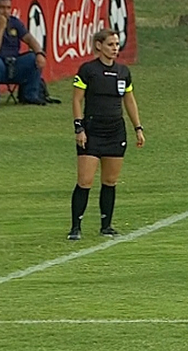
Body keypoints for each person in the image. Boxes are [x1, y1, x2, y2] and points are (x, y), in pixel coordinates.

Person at [67, 29, 145, 241]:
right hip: (92, 131)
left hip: (115, 131)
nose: (115, 48)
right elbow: (76, 100)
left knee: (110, 180)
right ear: (99, 46)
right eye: (110, 44)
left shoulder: (123, 72)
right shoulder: (87, 70)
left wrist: (138, 127)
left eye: (117, 44)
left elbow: (129, 100)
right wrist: (79, 128)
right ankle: (75, 227)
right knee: (85, 180)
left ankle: (106, 226)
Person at [0, 0, 46, 107]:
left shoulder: (14, 22)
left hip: (13, 64)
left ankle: (30, 96)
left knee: (33, 58)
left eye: (8, 8)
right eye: (1, 8)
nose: (5, 11)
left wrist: (40, 53)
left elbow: (29, 39)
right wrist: (0, 28)